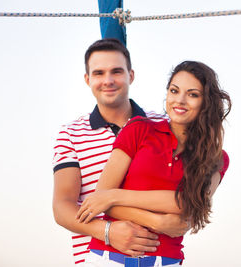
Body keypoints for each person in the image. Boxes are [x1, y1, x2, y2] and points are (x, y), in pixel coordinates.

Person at [75, 61, 232, 266]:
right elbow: (100, 199)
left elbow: (188, 204)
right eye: (174, 91)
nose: (180, 100)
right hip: (107, 258)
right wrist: (157, 221)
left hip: (164, 261)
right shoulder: (138, 129)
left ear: (206, 102)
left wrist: (115, 196)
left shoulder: (216, 158)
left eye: (193, 94)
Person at [52, 38, 188, 266]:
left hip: (160, 257)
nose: (108, 81)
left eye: (116, 71)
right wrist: (108, 231)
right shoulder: (70, 133)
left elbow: (185, 196)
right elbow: (62, 206)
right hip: (97, 257)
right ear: (87, 80)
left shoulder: (165, 124)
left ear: (130, 75)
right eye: (98, 73)